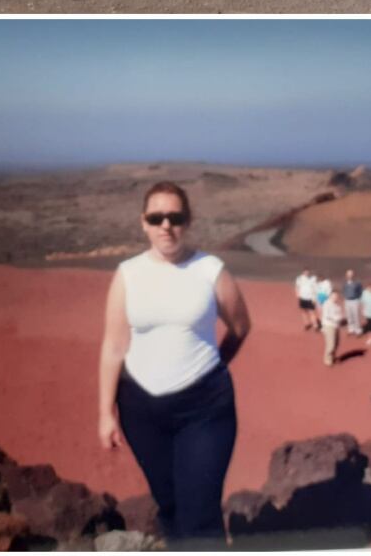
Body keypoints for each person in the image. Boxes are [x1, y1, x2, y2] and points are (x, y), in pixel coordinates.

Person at [98, 181, 251, 546]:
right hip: (140, 410)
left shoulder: (210, 270)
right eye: (156, 217)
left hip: (204, 410)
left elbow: (241, 326)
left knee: (200, 513)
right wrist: (105, 413)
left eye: (175, 217)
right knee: (168, 505)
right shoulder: (128, 274)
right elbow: (114, 345)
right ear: (144, 223)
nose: (166, 225)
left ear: (188, 221)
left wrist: (214, 364)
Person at [320, 289, 345, 367]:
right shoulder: (326, 304)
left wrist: (341, 318)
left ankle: (333, 357)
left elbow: (340, 314)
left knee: (336, 343)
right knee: (331, 344)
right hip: (329, 325)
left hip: (336, 326)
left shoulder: (337, 305)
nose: (335, 298)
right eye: (333, 296)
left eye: (336, 296)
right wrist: (336, 318)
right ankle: (328, 359)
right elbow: (327, 315)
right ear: (330, 296)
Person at [343, 269, 363, 336]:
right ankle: (351, 329)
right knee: (349, 316)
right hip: (347, 301)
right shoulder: (345, 282)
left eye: (351, 274)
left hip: (355, 300)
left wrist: (358, 298)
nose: (350, 276)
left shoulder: (357, 283)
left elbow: (360, 291)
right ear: (346, 275)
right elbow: (344, 290)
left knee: (356, 315)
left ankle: (358, 330)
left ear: (353, 275)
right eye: (348, 274)